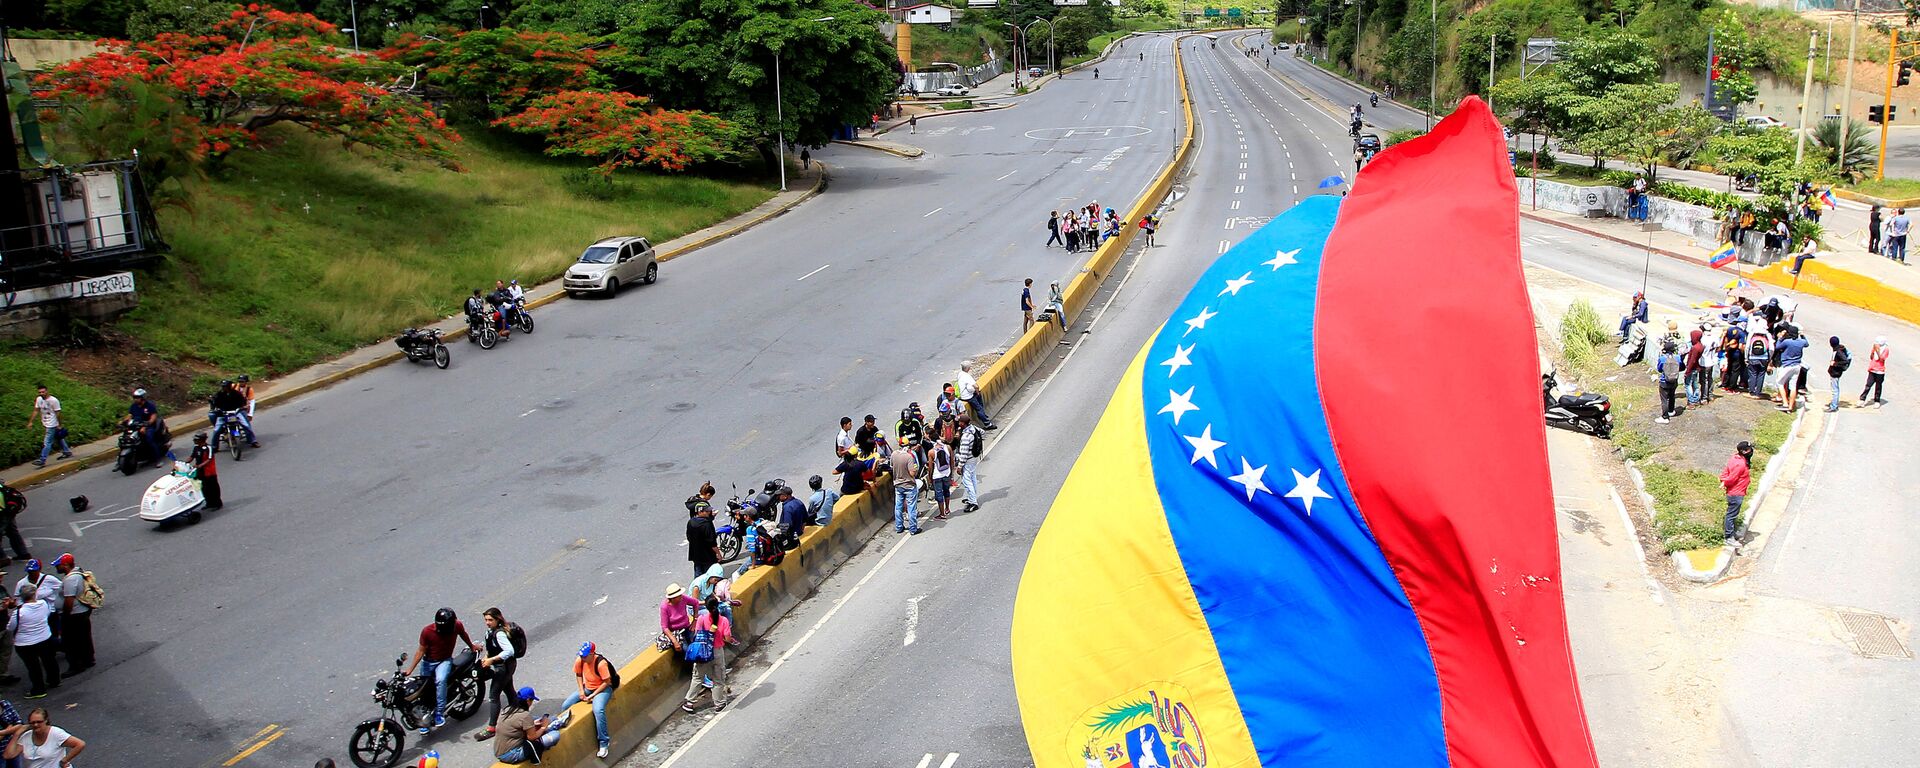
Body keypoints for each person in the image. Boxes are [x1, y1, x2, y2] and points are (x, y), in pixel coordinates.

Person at [402, 608, 480, 734]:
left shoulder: (457, 625)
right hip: (428, 662)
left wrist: (472, 646)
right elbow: (421, 651)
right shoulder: (427, 632)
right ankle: (424, 721)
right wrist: (410, 669)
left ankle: (439, 713)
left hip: (445, 661)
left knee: (440, 680)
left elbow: (463, 634)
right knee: (424, 689)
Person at [561, 642, 618, 758]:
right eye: (582, 656)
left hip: (602, 689)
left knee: (598, 710)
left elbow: (607, 682)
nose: (583, 658)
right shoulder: (580, 661)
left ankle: (603, 743)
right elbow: (578, 674)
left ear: (592, 654)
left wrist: (593, 695)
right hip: (588, 688)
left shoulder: (601, 664)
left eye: (585, 656)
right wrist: (581, 691)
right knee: (566, 705)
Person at [471, 607, 520, 742]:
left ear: (497, 619)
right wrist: (486, 658)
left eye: (490, 620)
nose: (487, 622)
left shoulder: (499, 633)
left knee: (493, 696)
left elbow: (509, 651)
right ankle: (519, 715)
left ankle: (492, 728)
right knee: (509, 690)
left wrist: (491, 660)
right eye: (486, 620)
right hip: (500, 666)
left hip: (504, 667)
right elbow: (492, 649)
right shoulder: (490, 632)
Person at [680, 598, 733, 713]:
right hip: (717, 652)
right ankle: (719, 703)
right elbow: (728, 638)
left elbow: (697, 635)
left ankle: (690, 702)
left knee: (698, 677)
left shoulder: (702, 619)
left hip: (702, 652)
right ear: (717, 606)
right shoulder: (723, 620)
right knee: (718, 679)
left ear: (707, 607)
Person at [5, 587, 57, 699]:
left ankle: (39, 689)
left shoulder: (19, 612)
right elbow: (47, 615)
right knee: (49, 660)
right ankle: (54, 680)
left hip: (25, 644)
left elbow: (10, 627)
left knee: (33, 666)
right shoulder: (43, 604)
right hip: (44, 637)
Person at [493, 687, 563, 764]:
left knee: (539, 719)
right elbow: (532, 737)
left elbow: (515, 725)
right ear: (528, 700)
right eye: (532, 700)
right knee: (555, 735)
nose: (532, 703)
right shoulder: (525, 716)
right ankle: (554, 726)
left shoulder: (507, 709)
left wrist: (534, 724)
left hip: (499, 751)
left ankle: (554, 723)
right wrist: (543, 727)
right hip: (511, 754)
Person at [3, 709, 82, 767]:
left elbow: (79, 744)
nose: (36, 725)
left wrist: (64, 760)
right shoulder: (26, 737)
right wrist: (17, 734)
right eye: (32, 722)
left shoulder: (56, 733)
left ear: (46, 721)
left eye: (39, 722)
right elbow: (8, 755)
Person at [51, 556, 89, 677]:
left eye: (58, 565)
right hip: (81, 611)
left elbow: (69, 600)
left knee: (70, 642)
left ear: (66, 565)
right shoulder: (78, 573)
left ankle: (76, 665)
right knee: (84, 637)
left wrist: (66, 616)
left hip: (74, 614)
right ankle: (88, 659)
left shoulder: (70, 580)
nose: (57, 568)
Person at [25, 386, 70, 469]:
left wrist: (59, 424)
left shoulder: (54, 400)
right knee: (58, 437)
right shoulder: (39, 399)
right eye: (40, 392)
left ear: (47, 391)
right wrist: (30, 422)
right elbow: (36, 410)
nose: (42, 394)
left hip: (52, 423)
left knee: (47, 442)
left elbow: (58, 413)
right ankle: (66, 451)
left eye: (43, 392)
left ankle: (42, 459)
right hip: (46, 422)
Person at [207, 381, 258, 450]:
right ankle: (214, 447)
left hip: (235, 413)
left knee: (246, 426)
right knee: (216, 430)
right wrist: (216, 407)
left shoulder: (236, 394)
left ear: (230, 386)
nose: (224, 388)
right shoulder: (219, 394)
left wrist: (243, 406)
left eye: (226, 386)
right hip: (223, 414)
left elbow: (242, 402)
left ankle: (253, 441)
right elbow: (215, 403)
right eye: (223, 386)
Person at [1720, 441, 1753, 546]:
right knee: (1731, 515)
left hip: (1737, 492)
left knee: (1733, 515)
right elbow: (1732, 478)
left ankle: (1732, 533)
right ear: (1743, 451)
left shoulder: (1735, 458)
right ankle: (1728, 537)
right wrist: (1725, 482)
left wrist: (1723, 480)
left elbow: (1726, 471)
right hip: (1736, 494)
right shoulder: (1740, 464)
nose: (1751, 451)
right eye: (1749, 449)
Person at [119, 389, 164, 466]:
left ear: (142, 398)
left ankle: (158, 459)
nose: (135, 399)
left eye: (137, 397)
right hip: (135, 426)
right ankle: (119, 460)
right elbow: (130, 415)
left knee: (149, 439)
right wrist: (123, 421)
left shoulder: (150, 406)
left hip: (148, 427)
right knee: (124, 439)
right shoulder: (134, 406)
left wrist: (146, 425)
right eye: (134, 397)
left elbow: (153, 417)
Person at [889, 441, 922, 535]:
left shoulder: (894, 454)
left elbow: (891, 466)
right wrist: (915, 469)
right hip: (909, 485)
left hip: (898, 485)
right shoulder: (909, 457)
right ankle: (913, 529)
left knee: (898, 507)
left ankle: (899, 527)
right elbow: (912, 473)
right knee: (911, 508)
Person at [954, 360, 997, 430]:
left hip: (962, 395)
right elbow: (976, 386)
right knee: (979, 407)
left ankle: (983, 415)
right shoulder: (967, 376)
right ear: (968, 368)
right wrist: (977, 392)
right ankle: (987, 423)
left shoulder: (960, 374)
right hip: (968, 397)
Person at [1774, 328, 1810, 411]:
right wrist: (1802, 335)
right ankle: (1790, 406)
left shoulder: (1787, 342)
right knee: (1793, 386)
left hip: (1787, 365)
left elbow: (1777, 347)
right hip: (1797, 366)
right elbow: (1807, 344)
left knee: (1780, 383)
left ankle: (1785, 403)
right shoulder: (1801, 342)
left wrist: (1780, 338)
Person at [955, 413, 984, 512]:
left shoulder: (966, 437)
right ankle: (971, 497)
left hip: (968, 460)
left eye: (960, 422)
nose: (959, 423)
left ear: (964, 423)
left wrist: (959, 467)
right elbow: (982, 432)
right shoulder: (974, 429)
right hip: (974, 457)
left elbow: (963, 454)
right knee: (972, 478)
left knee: (967, 481)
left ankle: (973, 502)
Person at [658, 584, 699, 651]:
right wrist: (674, 641)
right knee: (686, 649)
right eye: (678, 596)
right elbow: (664, 627)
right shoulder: (664, 607)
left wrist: (695, 620)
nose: (681, 597)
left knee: (696, 644)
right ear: (672, 598)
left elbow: (696, 603)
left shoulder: (683, 598)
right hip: (675, 632)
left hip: (687, 627)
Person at [189, 432, 223, 511]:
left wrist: (200, 465)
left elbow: (209, 459)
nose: (194, 441)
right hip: (200, 472)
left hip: (209, 472)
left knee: (213, 488)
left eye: (196, 439)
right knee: (204, 488)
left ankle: (217, 504)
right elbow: (191, 457)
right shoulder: (196, 447)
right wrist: (183, 463)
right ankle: (209, 503)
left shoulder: (209, 448)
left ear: (201, 440)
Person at [0, 481, 30, 568]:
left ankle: (2, 558)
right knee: (12, 532)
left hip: (1, 514)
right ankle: (23, 553)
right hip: (8, 510)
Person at [686, 499, 719, 579]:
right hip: (707, 555)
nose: (709, 513)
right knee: (709, 576)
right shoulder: (707, 524)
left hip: (695, 554)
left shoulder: (691, 522)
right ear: (700, 512)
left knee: (698, 575)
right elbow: (712, 542)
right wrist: (718, 553)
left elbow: (688, 536)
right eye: (706, 511)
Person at [1653, 339, 1682, 424]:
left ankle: (1665, 417)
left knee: (1664, 399)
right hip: (1674, 380)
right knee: (1672, 395)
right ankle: (1671, 411)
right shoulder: (1677, 357)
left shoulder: (1662, 358)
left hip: (1664, 381)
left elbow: (1659, 369)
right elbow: (1681, 367)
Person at [926, 438, 954, 520]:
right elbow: (952, 460)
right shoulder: (948, 447)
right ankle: (947, 509)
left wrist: (930, 478)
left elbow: (930, 468)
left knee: (939, 495)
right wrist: (951, 473)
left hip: (937, 476)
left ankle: (942, 514)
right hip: (947, 474)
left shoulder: (931, 452)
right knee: (946, 491)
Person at [1861, 336, 1890, 405]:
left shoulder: (1886, 349)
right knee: (1868, 385)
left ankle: (1877, 400)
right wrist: (1873, 350)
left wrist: (1878, 351)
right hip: (1872, 369)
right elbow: (1871, 357)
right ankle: (1862, 398)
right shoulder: (1875, 347)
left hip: (1880, 371)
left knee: (1878, 386)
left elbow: (1882, 359)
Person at [1826, 336, 1851, 412]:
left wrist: (1835, 364)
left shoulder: (1838, 351)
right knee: (1835, 389)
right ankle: (1834, 405)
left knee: (1835, 390)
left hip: (1835, 373)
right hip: (1835, 372)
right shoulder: (1840, 348)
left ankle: (1834, 406)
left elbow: (1845, 361)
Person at [1683, 330, 1708, 406]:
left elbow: (1692, 361)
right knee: (1695, 384)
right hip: (1697, 368)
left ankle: (1691, 401)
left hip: (1692, 368)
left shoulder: (1695, 348)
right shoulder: (1701, 346)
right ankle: (1696, 399)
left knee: (1688, 384)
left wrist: (1687, 371)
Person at [1747, 330, 1772, 399]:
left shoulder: (1752, 338)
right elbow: (1771, 349)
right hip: (1764, 358)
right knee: (1761, 375)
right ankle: (1758, 393)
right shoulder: (1766, 339)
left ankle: (1752, 392)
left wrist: (1746, 358)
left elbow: (1747, 348)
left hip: (1752, 358)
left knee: (1752, 374)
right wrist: (1770, 358)